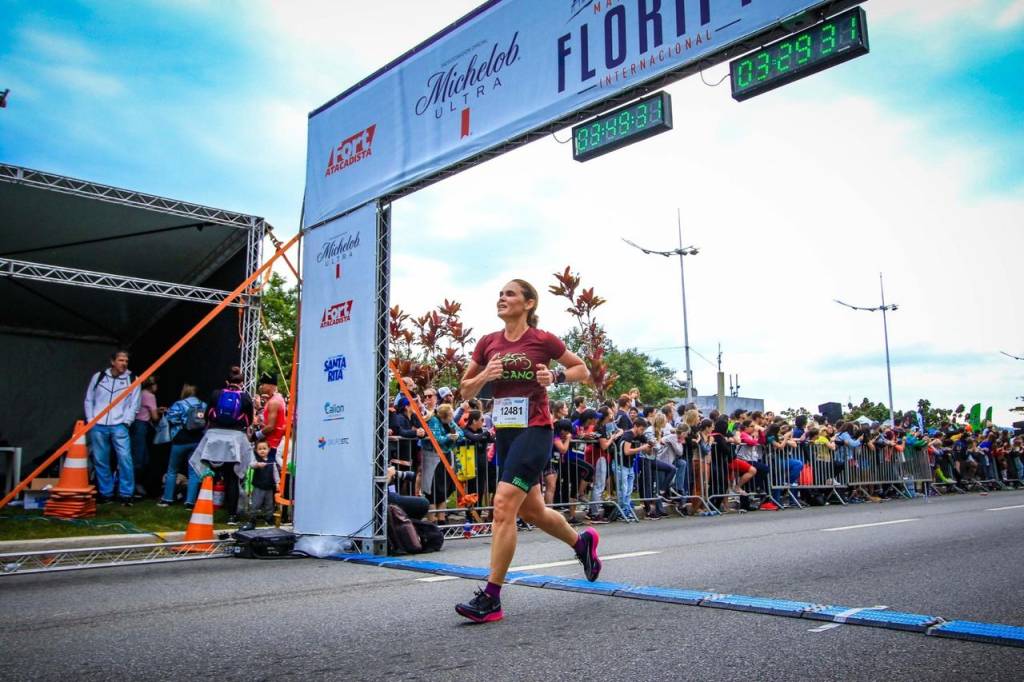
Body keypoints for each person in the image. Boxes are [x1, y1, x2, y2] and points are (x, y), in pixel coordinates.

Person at [454, 279, 596, 623]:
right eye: (500, 294)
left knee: (503, 504)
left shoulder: (542, 339)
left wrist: (556, 378)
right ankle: (582, 544)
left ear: (529, 303)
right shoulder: (488, 342)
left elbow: (582, 369)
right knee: (533, 511)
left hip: (535, 430)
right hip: (505, 433)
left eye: (510, 294)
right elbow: (464, 390)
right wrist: (486, 374)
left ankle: (492, 598)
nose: (502, 298)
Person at [190, 366, 255, 524]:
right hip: (235, 439)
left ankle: (201, 508)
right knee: (232, 478)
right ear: (242, 383)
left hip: (213, 438)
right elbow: (250, 420)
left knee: (208, 474)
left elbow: (207, 415)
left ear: (227, 381)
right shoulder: (245, 397)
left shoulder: (216, 394)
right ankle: (232, 515)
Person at [84, 349, 141, 505]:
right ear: (112, 361)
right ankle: (106, 493)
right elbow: (89, 399)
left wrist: (126, 422)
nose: (124, 363)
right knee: (100, 460)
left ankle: (126, 494)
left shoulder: (132, 378)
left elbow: (135, 404)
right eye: (121, 360)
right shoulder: (99, 376)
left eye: (126, 361)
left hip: (119, 425)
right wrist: (91, 419)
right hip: (98, 423)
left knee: (125, 459)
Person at [158, 383, 207, 508]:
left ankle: (167, 499)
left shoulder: (179, 404)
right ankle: (190, 502)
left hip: (180, 440)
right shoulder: (203, 405)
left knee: (172, 470)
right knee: (194, 471)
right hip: (197, 441)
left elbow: (170, 418)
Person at [130, 375, 160, 498]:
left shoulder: (140, 393)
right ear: (151, 385)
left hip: (135, 425)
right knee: (140, 459)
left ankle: (134, 485)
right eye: (156, 384)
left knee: (140, 456)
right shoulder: (150, 396)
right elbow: (155, 417)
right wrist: (158, 413)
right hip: (142, 427)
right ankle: (133, 486)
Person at [255, 373, 287, 463]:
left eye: (263, 384)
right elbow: (266, 421)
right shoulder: (275, 399)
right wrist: (259, 408)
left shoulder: (274, 401)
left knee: (268, 470)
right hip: (270, 444)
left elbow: (270, 427)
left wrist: (256, 435)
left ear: (270, 385)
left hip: (272, 445)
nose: (260, 387)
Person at [248, 438, 279, 524]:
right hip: (258, 486)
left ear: (269, 449)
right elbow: (251, 465)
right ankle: (252, 518)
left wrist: (277, 483)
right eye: (260, 449)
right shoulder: (256, 460)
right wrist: (257, 465)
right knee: (256, 503)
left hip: (269, 487)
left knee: (269, 504)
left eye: (264, 448)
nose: (262, 451)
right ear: (256, 450)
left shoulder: (272, 461)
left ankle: (269, 518)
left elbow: (275, 472)